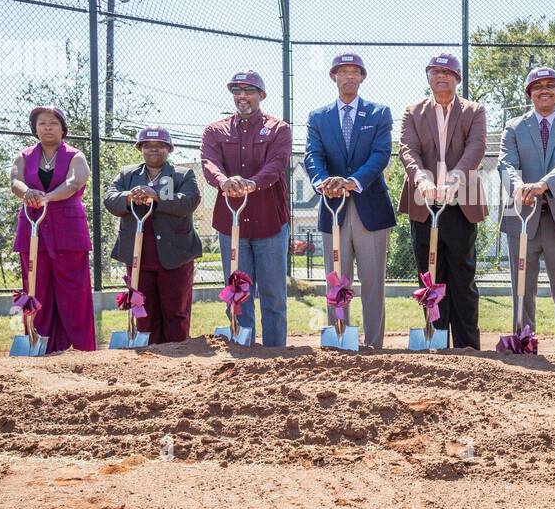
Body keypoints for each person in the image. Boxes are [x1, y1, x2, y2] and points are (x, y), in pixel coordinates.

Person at [304, 53, 397, 348]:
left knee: (372, 283)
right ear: (333, 76)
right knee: (336, 281)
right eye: (342, 71)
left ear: (362, 77)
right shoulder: (318, 117)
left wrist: (352, 182)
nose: (348, 76)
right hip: (334, 208)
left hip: (370, 207)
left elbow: (381, 154)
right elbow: (312, 155)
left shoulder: (378, 113)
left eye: (354, 71)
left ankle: (373, 346)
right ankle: (340, 340)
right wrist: (322, 182)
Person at [397, 53, 489, 349]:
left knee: (462, 276)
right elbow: (407, 149)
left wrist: (455, 178)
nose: (441, 76)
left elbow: (476, 146)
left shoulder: (474, 111)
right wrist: (421, 180)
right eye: (435, 71)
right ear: (428, 78)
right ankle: (434, 341)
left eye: (447, 72)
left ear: (457, 78)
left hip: (460, 204)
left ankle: (467, 347)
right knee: (430, 276)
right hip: (424, 205)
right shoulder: (413, 112)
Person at [499, 65, 555, 354]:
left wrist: (542, 185)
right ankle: (524, 347)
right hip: (522, 217)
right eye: (538, 87)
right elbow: (507, 164)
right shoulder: (513, 127)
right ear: (529, 94)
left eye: (550, 85)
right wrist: (519, 187)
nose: (544, 90)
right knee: (522, 291)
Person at [200, 71, 291, 347]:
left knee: (273, 294)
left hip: (270, 223)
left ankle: (276, 353)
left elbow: (277, 165)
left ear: (261, 95)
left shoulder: (278, 129)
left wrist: (252, 183)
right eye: (237, 91)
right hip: (231, 222)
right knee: (239, 291)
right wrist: (223, 181)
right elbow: (209, 163)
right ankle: (243, 348)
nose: (242, 96)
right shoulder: (215, 130)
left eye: (249, 91)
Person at [10, 106, 96, 352]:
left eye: (53, 123)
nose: (47, 127)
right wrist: (28, 193)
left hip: (68, 230)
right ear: (35, 128)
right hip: (33, 226)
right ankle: (41, 345)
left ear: (63, 128)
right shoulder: (24, 156)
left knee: (74, 292)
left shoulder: (75, 155)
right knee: (36, 288)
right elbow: (15, 181)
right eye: (42, 123)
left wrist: (46, 197)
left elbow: (75, 181)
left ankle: (80, 347)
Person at [105, 127, 203, 344]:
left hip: (175, 254)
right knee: (143, 309)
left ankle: (177, 350)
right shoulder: (127, 174)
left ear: (168, 149)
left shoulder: (182, 174)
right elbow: (110, 199)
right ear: (140, 149)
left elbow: (189, 201)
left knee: (175, 309)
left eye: (159, 146)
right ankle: (148, 352)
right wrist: (129, 197)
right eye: (148, 146)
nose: (153, 150)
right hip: (140, 254)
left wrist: (156, 196)